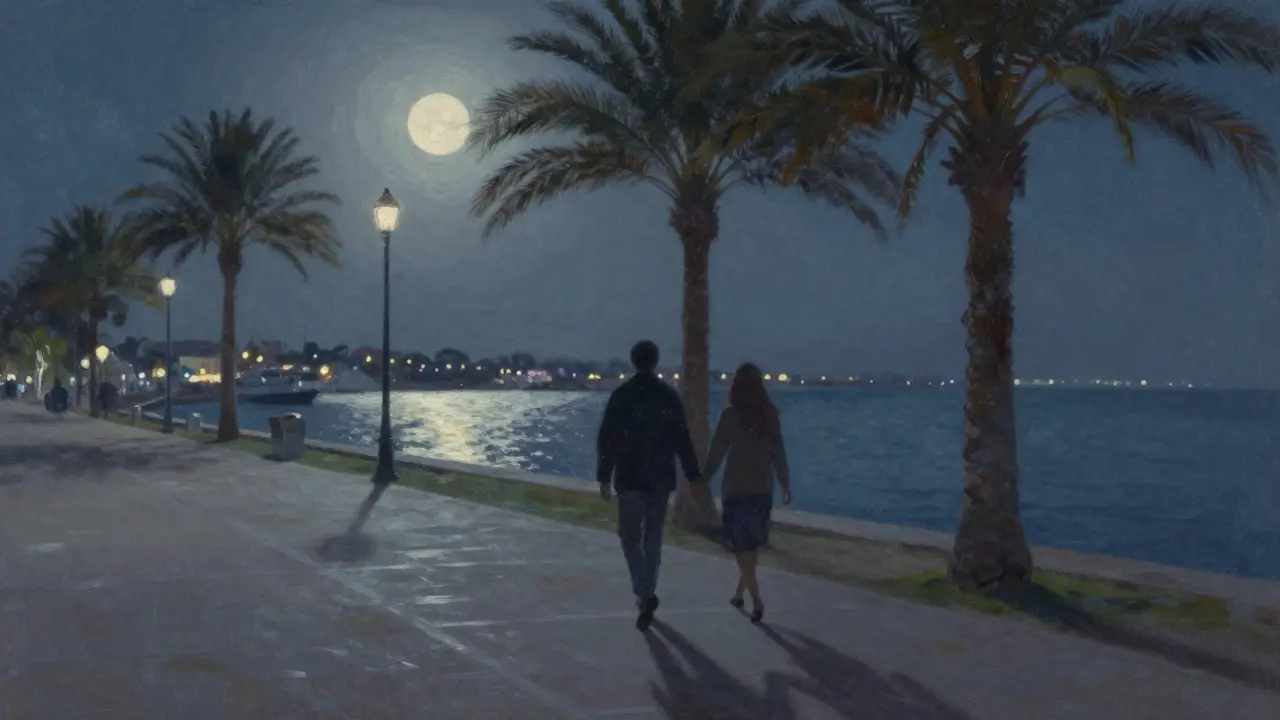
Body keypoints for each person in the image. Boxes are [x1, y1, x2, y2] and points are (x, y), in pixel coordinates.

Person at [597, 340, 704, 632]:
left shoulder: (622, 395)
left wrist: (604, 477)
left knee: (629, 536)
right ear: (655, 361)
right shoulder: (668, 397)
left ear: (634, 361)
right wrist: (693, 476)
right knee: (653, 537)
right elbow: (683, 439)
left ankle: (643, 591)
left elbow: (607, 439)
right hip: (660, 478)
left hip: (630, 477)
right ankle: (647, 588)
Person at [702, 362, 791, 624]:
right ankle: (739, 594)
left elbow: (717, 451)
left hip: (736, 489)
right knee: (749, 545)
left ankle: (757, 600)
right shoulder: (769, 416)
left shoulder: (730, 416)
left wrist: (703, 479)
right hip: (762, 488)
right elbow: (779, 453)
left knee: (743, 546)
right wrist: (785, 483)